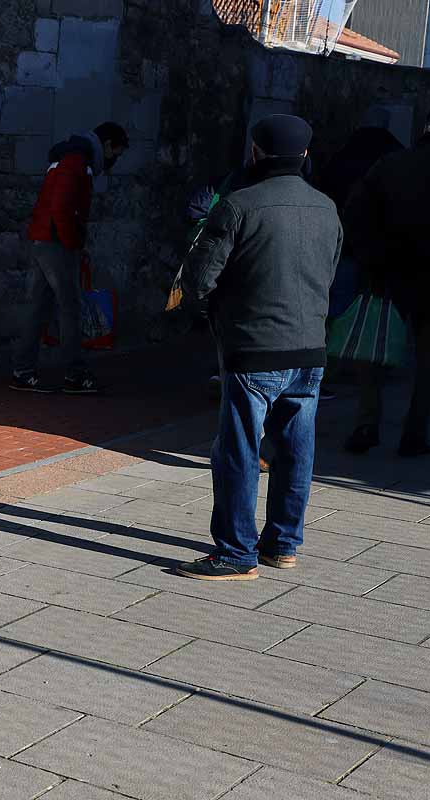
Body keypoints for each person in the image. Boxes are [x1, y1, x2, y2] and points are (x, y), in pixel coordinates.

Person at [177, 114, 341, 581]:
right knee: (296, 448)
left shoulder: (239, 205)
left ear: (255, 152)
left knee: (239, 448)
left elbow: (199, 279)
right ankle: (283, 544)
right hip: (309, 347)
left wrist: (217, 310)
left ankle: (234, 552)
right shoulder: (327, 208)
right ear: (305, 156)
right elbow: (327, 274)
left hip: (253, 346)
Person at [11, 122, 129, 394]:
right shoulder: (78, 161)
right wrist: (72, 243)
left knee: (40, 306)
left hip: (44, 239)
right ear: (107, 145)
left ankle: (23, 369)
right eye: (116, 153)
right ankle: (74, 373)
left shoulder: (68, 157)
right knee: (70, 308)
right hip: (56, 243)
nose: (114, 160)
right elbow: (62, 206)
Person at [342, 110, 430, 458]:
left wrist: (372, 256)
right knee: (429, 362)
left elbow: (354, 212)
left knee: (373, 354)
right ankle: (415, 432)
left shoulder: (389, 165)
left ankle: (366, 423)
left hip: (387, 274)